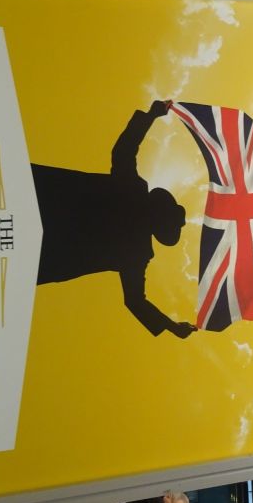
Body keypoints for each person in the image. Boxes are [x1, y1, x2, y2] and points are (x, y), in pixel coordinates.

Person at [32, 100, 196, 339]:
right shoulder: (138, 250)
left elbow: (123, 150)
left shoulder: (134, 193)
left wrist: (151, 116)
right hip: (46, 245)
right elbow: (135, 301)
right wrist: (171, 326)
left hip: (45, 204)